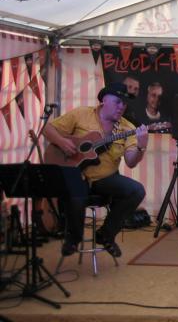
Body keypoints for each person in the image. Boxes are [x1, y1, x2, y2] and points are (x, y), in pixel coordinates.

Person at [43, 82, 148, 257]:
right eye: (117, 102)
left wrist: (141, 147)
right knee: (75, 191)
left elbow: (131, 162)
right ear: (104, 100)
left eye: (124, 103)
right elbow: (47, 129)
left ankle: (106, 234)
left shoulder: (127, 128)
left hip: (105, 179)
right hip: (75, 173)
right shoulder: (81, 114)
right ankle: (73, 238)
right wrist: (62, 142)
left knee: (137, 190)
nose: (121, 106)